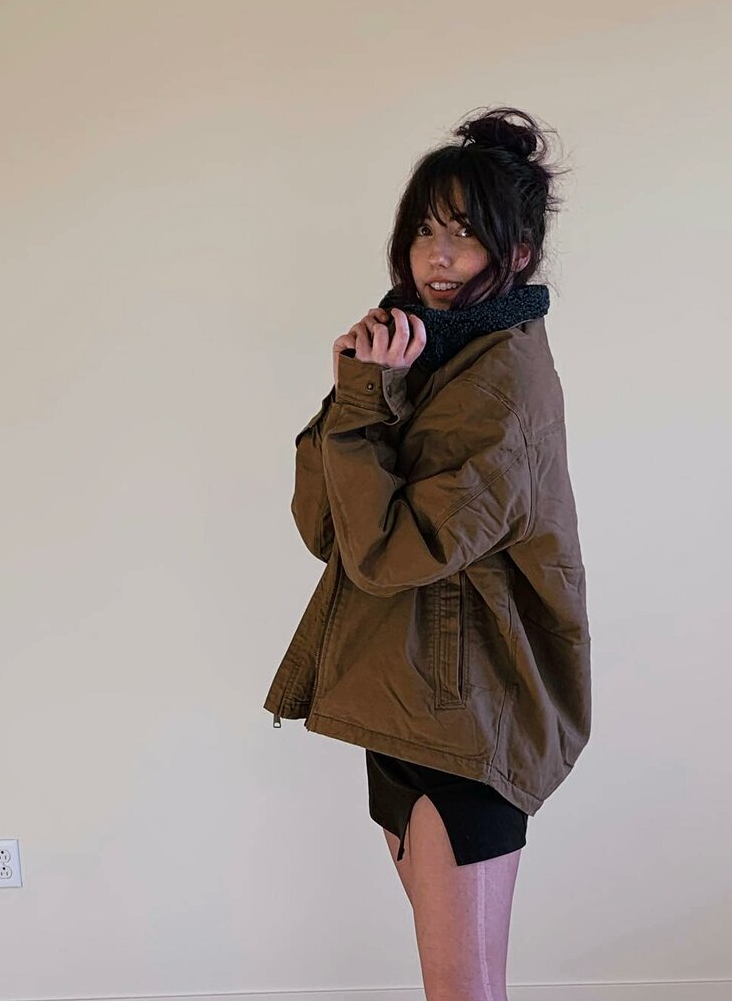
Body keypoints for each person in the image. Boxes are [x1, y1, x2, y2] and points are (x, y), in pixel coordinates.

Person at [263, 106, 591, 1001]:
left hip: (464, 712)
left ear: (517, 252)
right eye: (424, 232)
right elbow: (326, 529)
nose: (437, 258)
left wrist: (365, 404)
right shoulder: (424, 352)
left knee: (461, 991)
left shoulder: (502, 380)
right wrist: (354, 394)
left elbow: (390, 553)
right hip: (408, 696)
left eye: (465, 236)